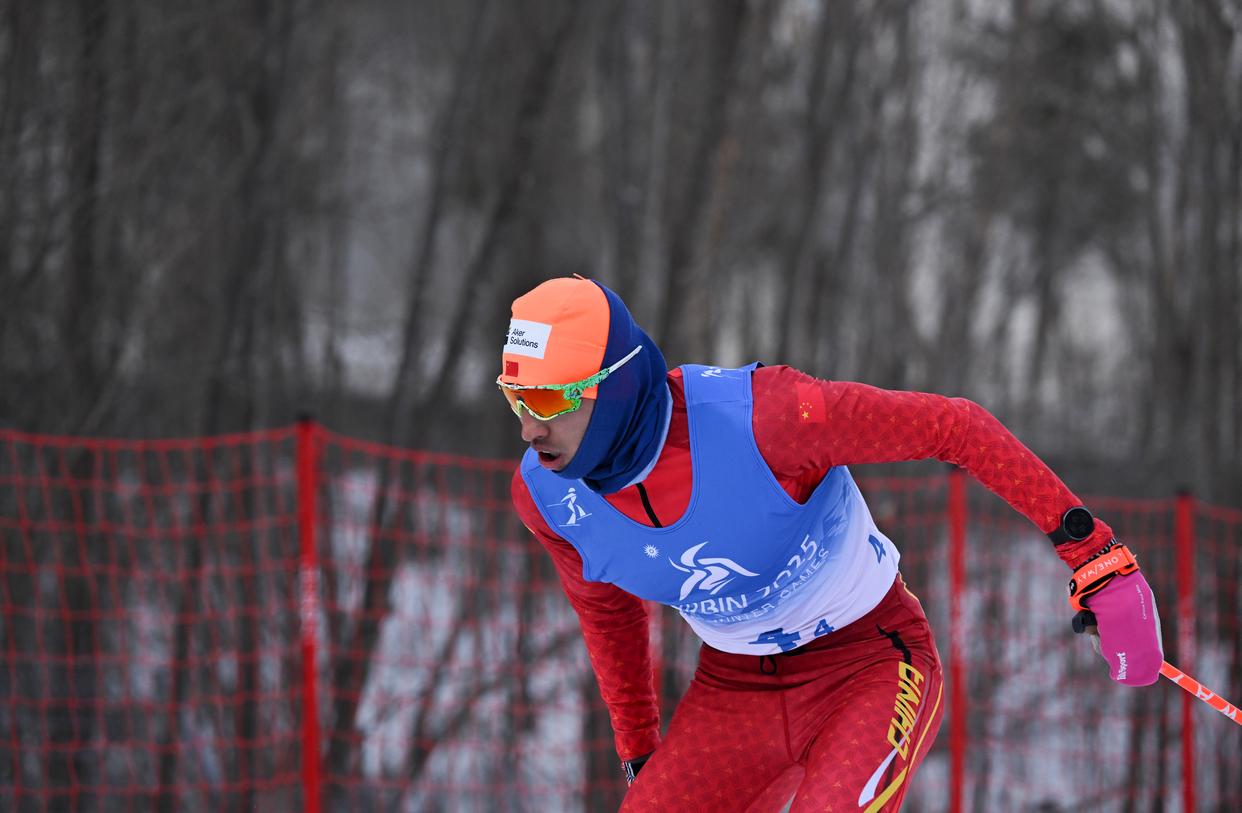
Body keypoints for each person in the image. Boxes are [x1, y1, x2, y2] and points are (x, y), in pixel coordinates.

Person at [499, 276, 1163, 812]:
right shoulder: (548, 497)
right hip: (734, 690)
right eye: (515, 398)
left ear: (612, 387)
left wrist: (1095, 555)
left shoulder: (770, 420)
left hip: (869, 663)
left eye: (549, 401)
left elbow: (952, 426)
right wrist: (642, 755)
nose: (530, 429)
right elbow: (608, 612)